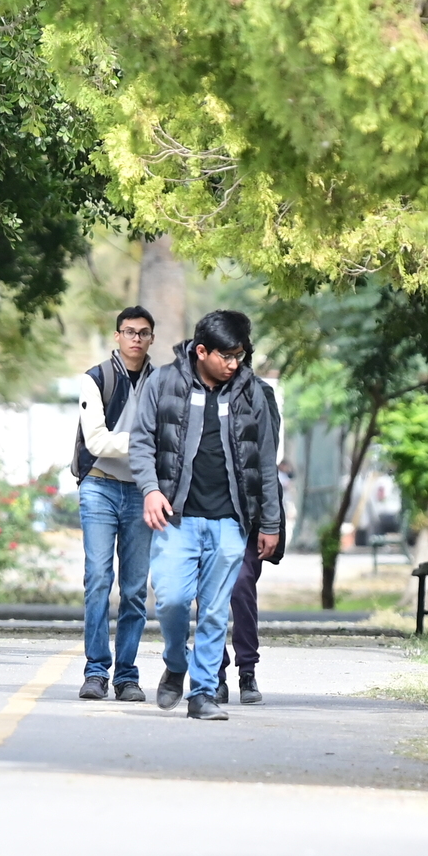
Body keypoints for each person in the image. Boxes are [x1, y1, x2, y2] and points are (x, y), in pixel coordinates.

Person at [130, 309, 282, 721]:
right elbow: (141, 442)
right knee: (174, 600)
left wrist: (270, 522)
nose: (235, 364)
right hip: (177, 519)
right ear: (202, 351)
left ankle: (202, 694)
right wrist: (150, 490)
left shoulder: (253, 394)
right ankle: (176, 662)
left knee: (215, 610)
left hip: (231, 522)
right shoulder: (163, 382)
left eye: (240, 356)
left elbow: (265, 460)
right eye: (227, 356)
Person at [71, 306, 157, 702]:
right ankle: (95, 672)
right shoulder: (96, 379)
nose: (135, 338)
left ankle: (126, 675)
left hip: (143, 491)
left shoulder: (163, 382)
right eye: (129, 331)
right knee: (98, 580)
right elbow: (97, 442)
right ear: (117, 336)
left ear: (151, 338)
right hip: (100, 486)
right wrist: (146, 444)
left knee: (136, 588)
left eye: (143, 332)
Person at [219, 379, 286, 705]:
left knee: (242, 584)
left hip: (249, 510)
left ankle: (247, 670)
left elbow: (267, 457)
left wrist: (270, 521)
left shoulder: (261, 393)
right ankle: (214, 672)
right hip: (208, 506)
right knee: (210, 590)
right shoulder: (197, 389)